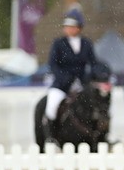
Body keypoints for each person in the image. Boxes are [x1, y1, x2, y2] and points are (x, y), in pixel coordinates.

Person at [43, 9, 101, 144]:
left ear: (79, 27)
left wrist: (95, 75)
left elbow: (94, 63)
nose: (68, 29)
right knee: (51, 107)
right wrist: (64, 77)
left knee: (97, 105)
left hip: (81, 83)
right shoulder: (58, 43)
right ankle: (52, 137)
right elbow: (53, 65)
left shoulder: (86, 43)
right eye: (67, 26)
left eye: (72, 26)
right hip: (62, 84)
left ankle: (99, 135)